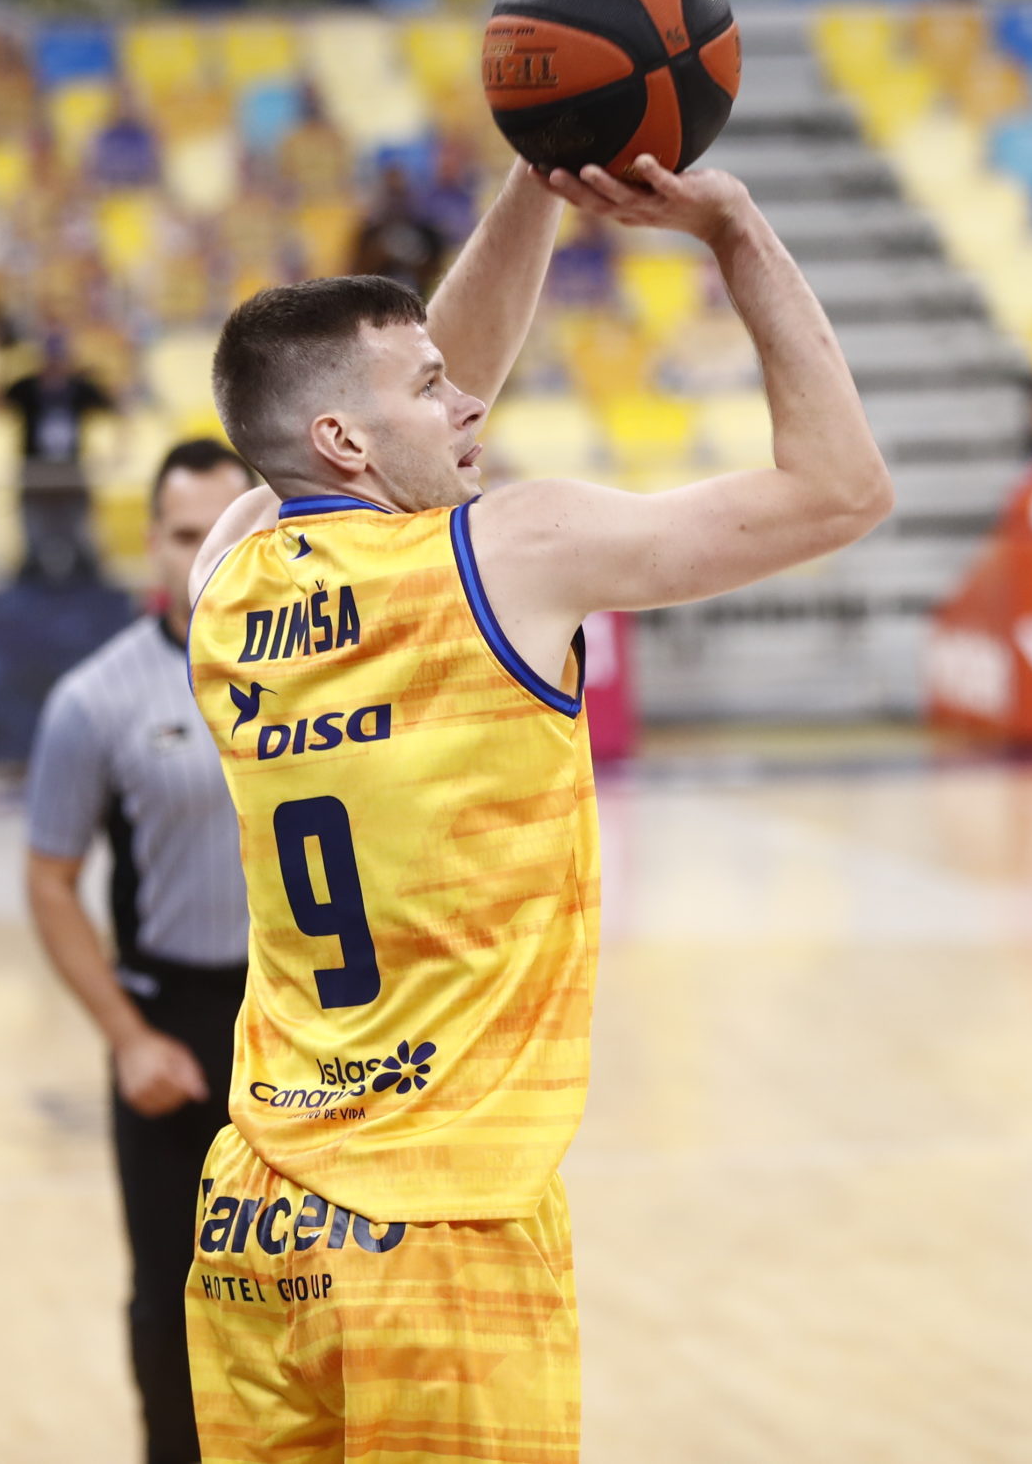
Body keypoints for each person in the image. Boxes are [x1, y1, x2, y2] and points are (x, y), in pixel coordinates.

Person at [182, 155, 892, 1459]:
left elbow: (367, 420)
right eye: (430, 388)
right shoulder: (510, 553)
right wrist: (735, 232)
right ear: (345, 440)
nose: (469, 399)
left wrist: (536, 179)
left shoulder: (223, 578)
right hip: (442, 1225)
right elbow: (842, 488)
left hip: (255, 1219)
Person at [24, 438, 260, 1464]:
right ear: (151, 545)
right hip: (176, 1029)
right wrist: (127, 1039)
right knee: (172, 1301)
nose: (204, 556)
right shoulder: (93, 701)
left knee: (329, 1293)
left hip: (310, 1032)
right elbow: (50, 880)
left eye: (225, 532)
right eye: (182, 534)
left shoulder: (328, 674)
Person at [0, 333, 117, 586]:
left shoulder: (79, 387)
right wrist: (2, 368)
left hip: (70, 469)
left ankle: (88, 575)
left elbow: (114, 408)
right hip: (36, 469)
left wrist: (117, 451)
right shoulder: (27, 387)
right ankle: (31, 573)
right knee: (34, 528)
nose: (55, 366)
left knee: (79, 528)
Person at [346, 157, 449, 296]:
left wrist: (417, 262)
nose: (395, 203)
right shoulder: (368, 233)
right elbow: (352, 273)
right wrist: (378, 255)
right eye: (390, 194)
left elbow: (440, 275)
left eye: (400, 194)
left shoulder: (428, 232)